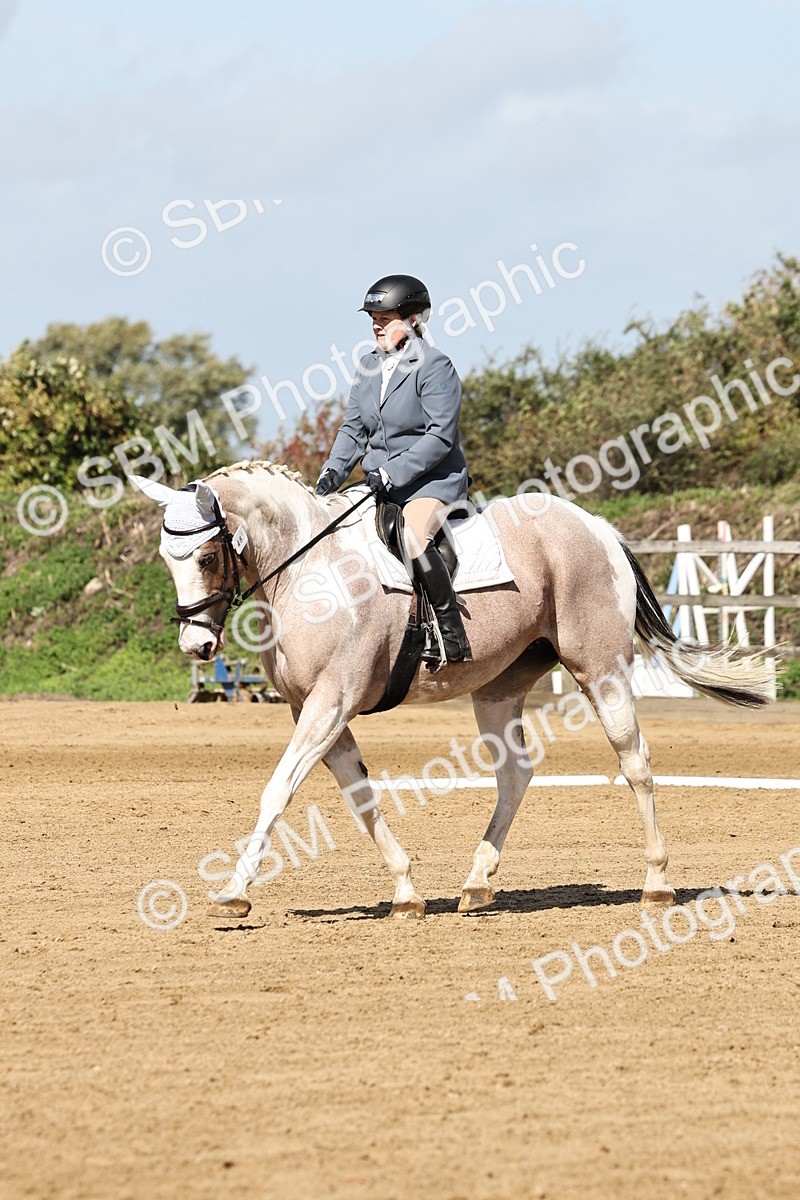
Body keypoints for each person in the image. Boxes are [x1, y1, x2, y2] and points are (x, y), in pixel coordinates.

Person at [315, 274, 472, 663]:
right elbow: (353, 428)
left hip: (431, 483)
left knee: (415, 535)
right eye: (373, 316)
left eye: (386, 316)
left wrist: (392, 472)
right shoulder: (368, 366)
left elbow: (439, 436)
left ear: (414, 319)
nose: (376, 323)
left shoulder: (435, 366)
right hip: (380, 485)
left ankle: (450, 634)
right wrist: (332, 472)